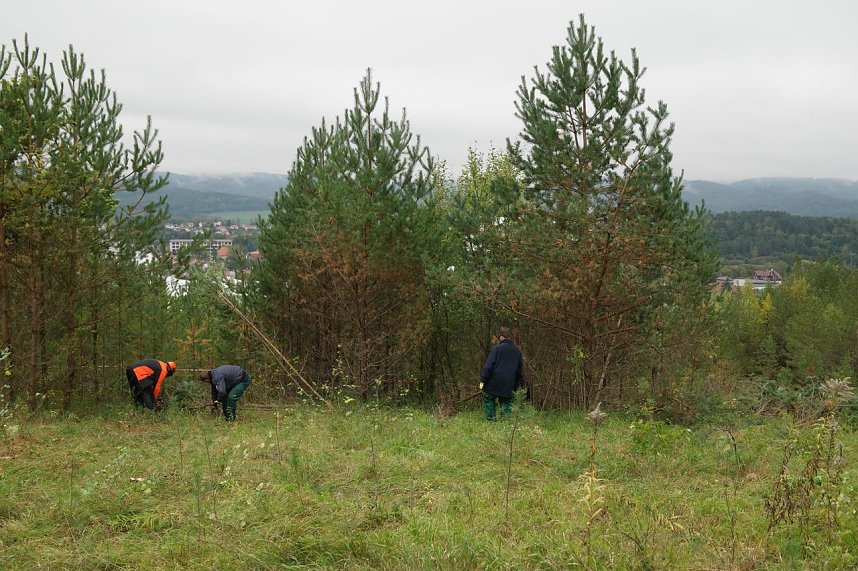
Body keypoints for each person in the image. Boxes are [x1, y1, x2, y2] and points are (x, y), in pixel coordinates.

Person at [480, 327, 524, 421]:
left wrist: (483, 380)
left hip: (493, 383)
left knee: (489, 399)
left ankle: (491, 422)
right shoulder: (517, 352)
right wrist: (515, 386)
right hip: (508, 384)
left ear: (501, 337)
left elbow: (488, 367)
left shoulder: (496, 348)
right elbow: (519, 372)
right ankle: (505, 425)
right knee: (506, 404)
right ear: (509, 337)